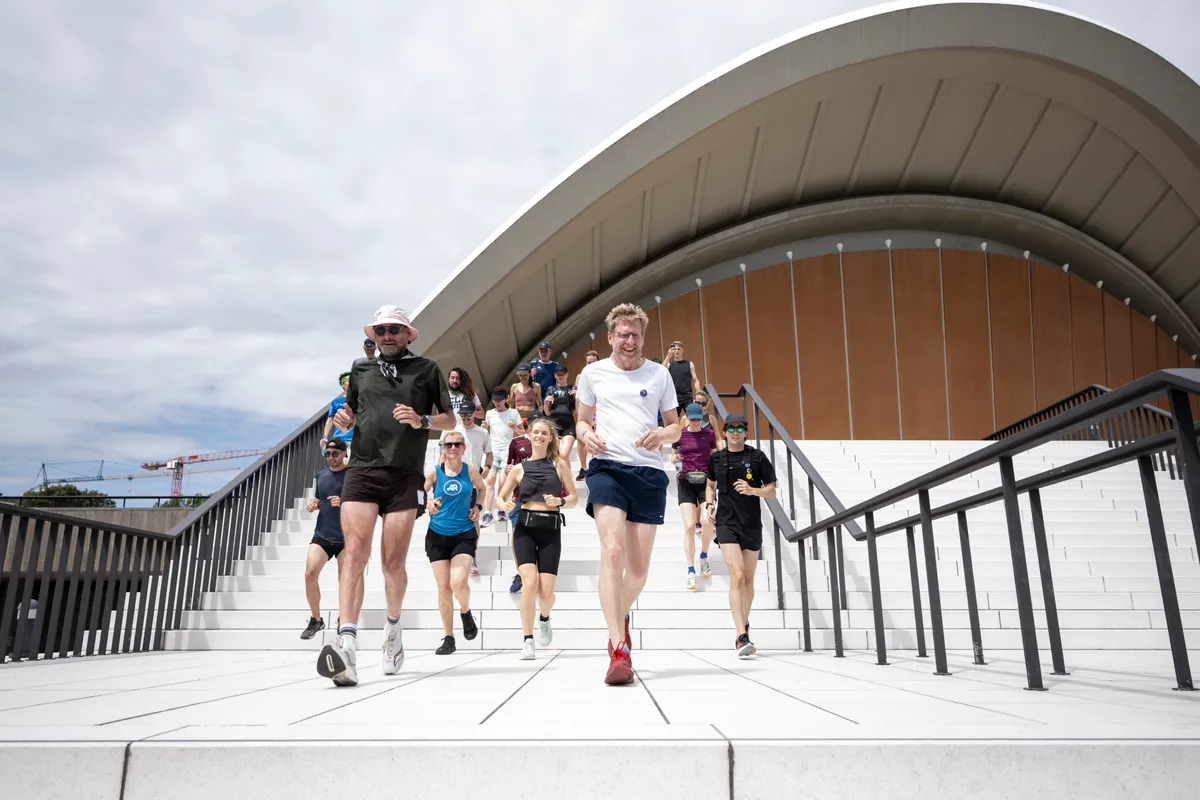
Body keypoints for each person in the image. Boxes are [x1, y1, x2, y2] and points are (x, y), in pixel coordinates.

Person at [319, 305, 455, 687]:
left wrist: (422, 420)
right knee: (354, 553)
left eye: (395, 329)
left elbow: (450, 418)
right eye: (381, 330)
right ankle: (346, 644)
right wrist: (344, 418)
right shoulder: (360, 371)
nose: (387, 336)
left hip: (404, 475)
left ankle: (393, 632)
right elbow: (350, 410)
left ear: (408, 334)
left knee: (391, 563)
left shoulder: (426, 370)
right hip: (361, 470)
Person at [576, 303, 680, 685]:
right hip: (607, 468)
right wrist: (586, 435)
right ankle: (618, 650)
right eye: (623, 334)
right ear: (610, 337)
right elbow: (582, 419)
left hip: (649, 472)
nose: (630, 340)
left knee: (636, 572)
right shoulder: (592, 373)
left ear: (642, 337)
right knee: (613, 552)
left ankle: (618, 617)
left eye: (635, 334)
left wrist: (662, 434)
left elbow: (676, 428)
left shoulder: (659, 375)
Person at [497, 416, 577, 659]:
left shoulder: (559, 465)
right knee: (529, 583)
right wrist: (505, 504)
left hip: (551, 529)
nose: (540, 436)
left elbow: (573, 497)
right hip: (525, 527)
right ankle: (527, 639)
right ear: (528, 436)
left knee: (546, 593)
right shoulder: (519, 468)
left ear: (551, 438)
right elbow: (500, 497)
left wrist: (561, 501)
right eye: (536, 432)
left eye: (544, 433)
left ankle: (544, 617)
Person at [706, 413, 776, 658]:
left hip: (751, 524)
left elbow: (772, 491)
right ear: (724, 432)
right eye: (731, 428)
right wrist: (708, 504)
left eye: (740, 428)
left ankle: (743, 625)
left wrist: (753, 490)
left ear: (746, 432)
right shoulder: (716, 458)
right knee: (736, 575)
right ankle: (740, 636)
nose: (735, 432)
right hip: (726, 523)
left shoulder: (757, 457)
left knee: (747, 580)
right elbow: (709, 483)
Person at [424, 429, 484, 655]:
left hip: (463, 533)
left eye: (457, 444)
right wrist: (428, 501)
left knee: (458, 582)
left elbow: (483, 488)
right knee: (443, 588)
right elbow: (420, 491)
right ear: (443, 448)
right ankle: (449, 637)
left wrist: (478, 507)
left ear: (463, 448)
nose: (452, 448)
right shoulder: (434, 472)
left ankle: (466, 611)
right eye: (448, 445)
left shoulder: (470, 471)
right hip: (437, 534)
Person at [301, 439, 357, 639]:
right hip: (323, 534)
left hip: (346, 537)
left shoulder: (352, 475)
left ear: (344, 453)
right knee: (310, 574)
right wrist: (314, 504)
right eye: (328, 454)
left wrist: (344, 501)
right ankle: (316, 619)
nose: (331, 457)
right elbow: (320, 497)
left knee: (345, 581)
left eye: (335, 453)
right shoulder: (321, 476)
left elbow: (362, 504)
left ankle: (344, 619)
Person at [672, 403, 719, 590]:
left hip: (706, 482)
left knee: (708, 520)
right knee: (690, 526)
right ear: (687, 418)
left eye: (698, 418)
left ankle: (704, 556)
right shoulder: (680, 434)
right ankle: (691, 570)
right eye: (693, 419)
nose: (696, 422)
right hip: (685, 481)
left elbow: (714, 454)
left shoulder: (708, 434)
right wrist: (674, 458)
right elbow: (674, 452)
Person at [483, 387, 521, 528]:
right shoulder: (489, 413)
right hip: (493, 451)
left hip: (507, 450)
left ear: (506, 399)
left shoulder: (513, 413)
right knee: (490, 480)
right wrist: (484, 428)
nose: (497, 403)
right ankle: (487, 512)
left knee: (503, 481)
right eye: (495, 400)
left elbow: (523, 432)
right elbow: (486, 432)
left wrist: (515, 428)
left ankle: (501, 509)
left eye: (500, 400)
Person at [505, 414, 535, 594]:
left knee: (537, 537)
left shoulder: (548, 442)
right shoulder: (516, 442)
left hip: (540, 498)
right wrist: (508, 470)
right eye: (532, 425)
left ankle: (534, 572)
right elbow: (509, 466)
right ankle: (520, 573)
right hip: (519, 496)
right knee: (518, 536)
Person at [542, 365, 577, 473]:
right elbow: (547, 413)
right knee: (556, 454)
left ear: (567, 375)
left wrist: (577, 398)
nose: (561, 376)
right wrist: (546, 402)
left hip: (568, 423)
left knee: (564, 454)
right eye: (558, 374)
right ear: (555, 375)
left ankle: (566, 481)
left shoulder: (572, 389)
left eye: (563, 374)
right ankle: (562, 480)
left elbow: (577, 411)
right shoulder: (551, 389)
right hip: (554, 423)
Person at [574, 350, 601, 480]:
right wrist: (579, 416)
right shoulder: (580, 377)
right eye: (588, 362)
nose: (590, 364)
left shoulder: (603, 374)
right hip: (585, 409)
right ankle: (583, 467)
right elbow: (578, 399)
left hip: (599, 410)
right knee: (581, 438)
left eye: (593, 362)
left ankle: (598, 466)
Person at [664, 341, 701, 415]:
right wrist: (668, 355)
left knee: (692, 415)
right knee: (673, 419)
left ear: (682, 350)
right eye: (675, 349)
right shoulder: (669, 364)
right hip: (674, 397)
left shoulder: (689, 364)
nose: (677, 351)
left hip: (687, 396)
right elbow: (661, 370)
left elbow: (695, 380)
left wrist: (698, 393)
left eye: (679, 349)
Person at [322, 372, 354, 451]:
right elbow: (330, 421)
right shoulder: (336, 402)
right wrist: (325, 437)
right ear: (342, 384)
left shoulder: (361, 400)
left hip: (357, 441)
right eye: (348, 380)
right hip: (339, 441)